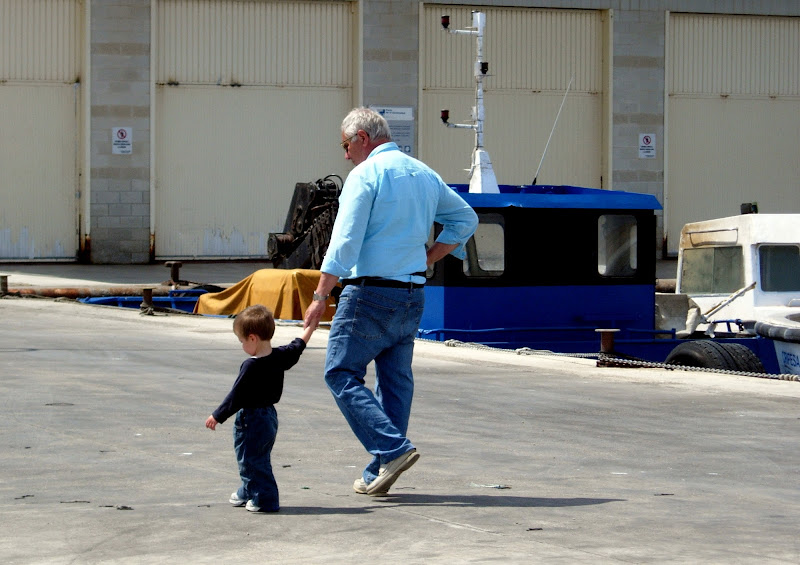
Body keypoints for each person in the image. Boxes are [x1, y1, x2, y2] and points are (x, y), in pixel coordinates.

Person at [303, 107, 478, 496]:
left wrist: (320, 296)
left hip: (370, 294)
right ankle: (381, 468)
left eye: (346, 145)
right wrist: (429, 257)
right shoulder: (424, 174)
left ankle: (392, 448)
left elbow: (345, 239)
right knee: (395, 382)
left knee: (340, 373)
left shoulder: (366, 174)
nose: (345, 155)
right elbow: (465, 219)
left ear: (362, 139)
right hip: (413, 294)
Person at [206, 304, 315, 513]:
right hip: (269, 417)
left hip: (251, 418)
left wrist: (217, 416)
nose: (242, 345)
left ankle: (265, 498)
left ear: (253, 338)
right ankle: (249, 490)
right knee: (255, 456)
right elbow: (298, 345)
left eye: (242, 341)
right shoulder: (280, 355)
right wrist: (309, 328)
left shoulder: (251, 365)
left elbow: (236, 396)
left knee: (251, 457)